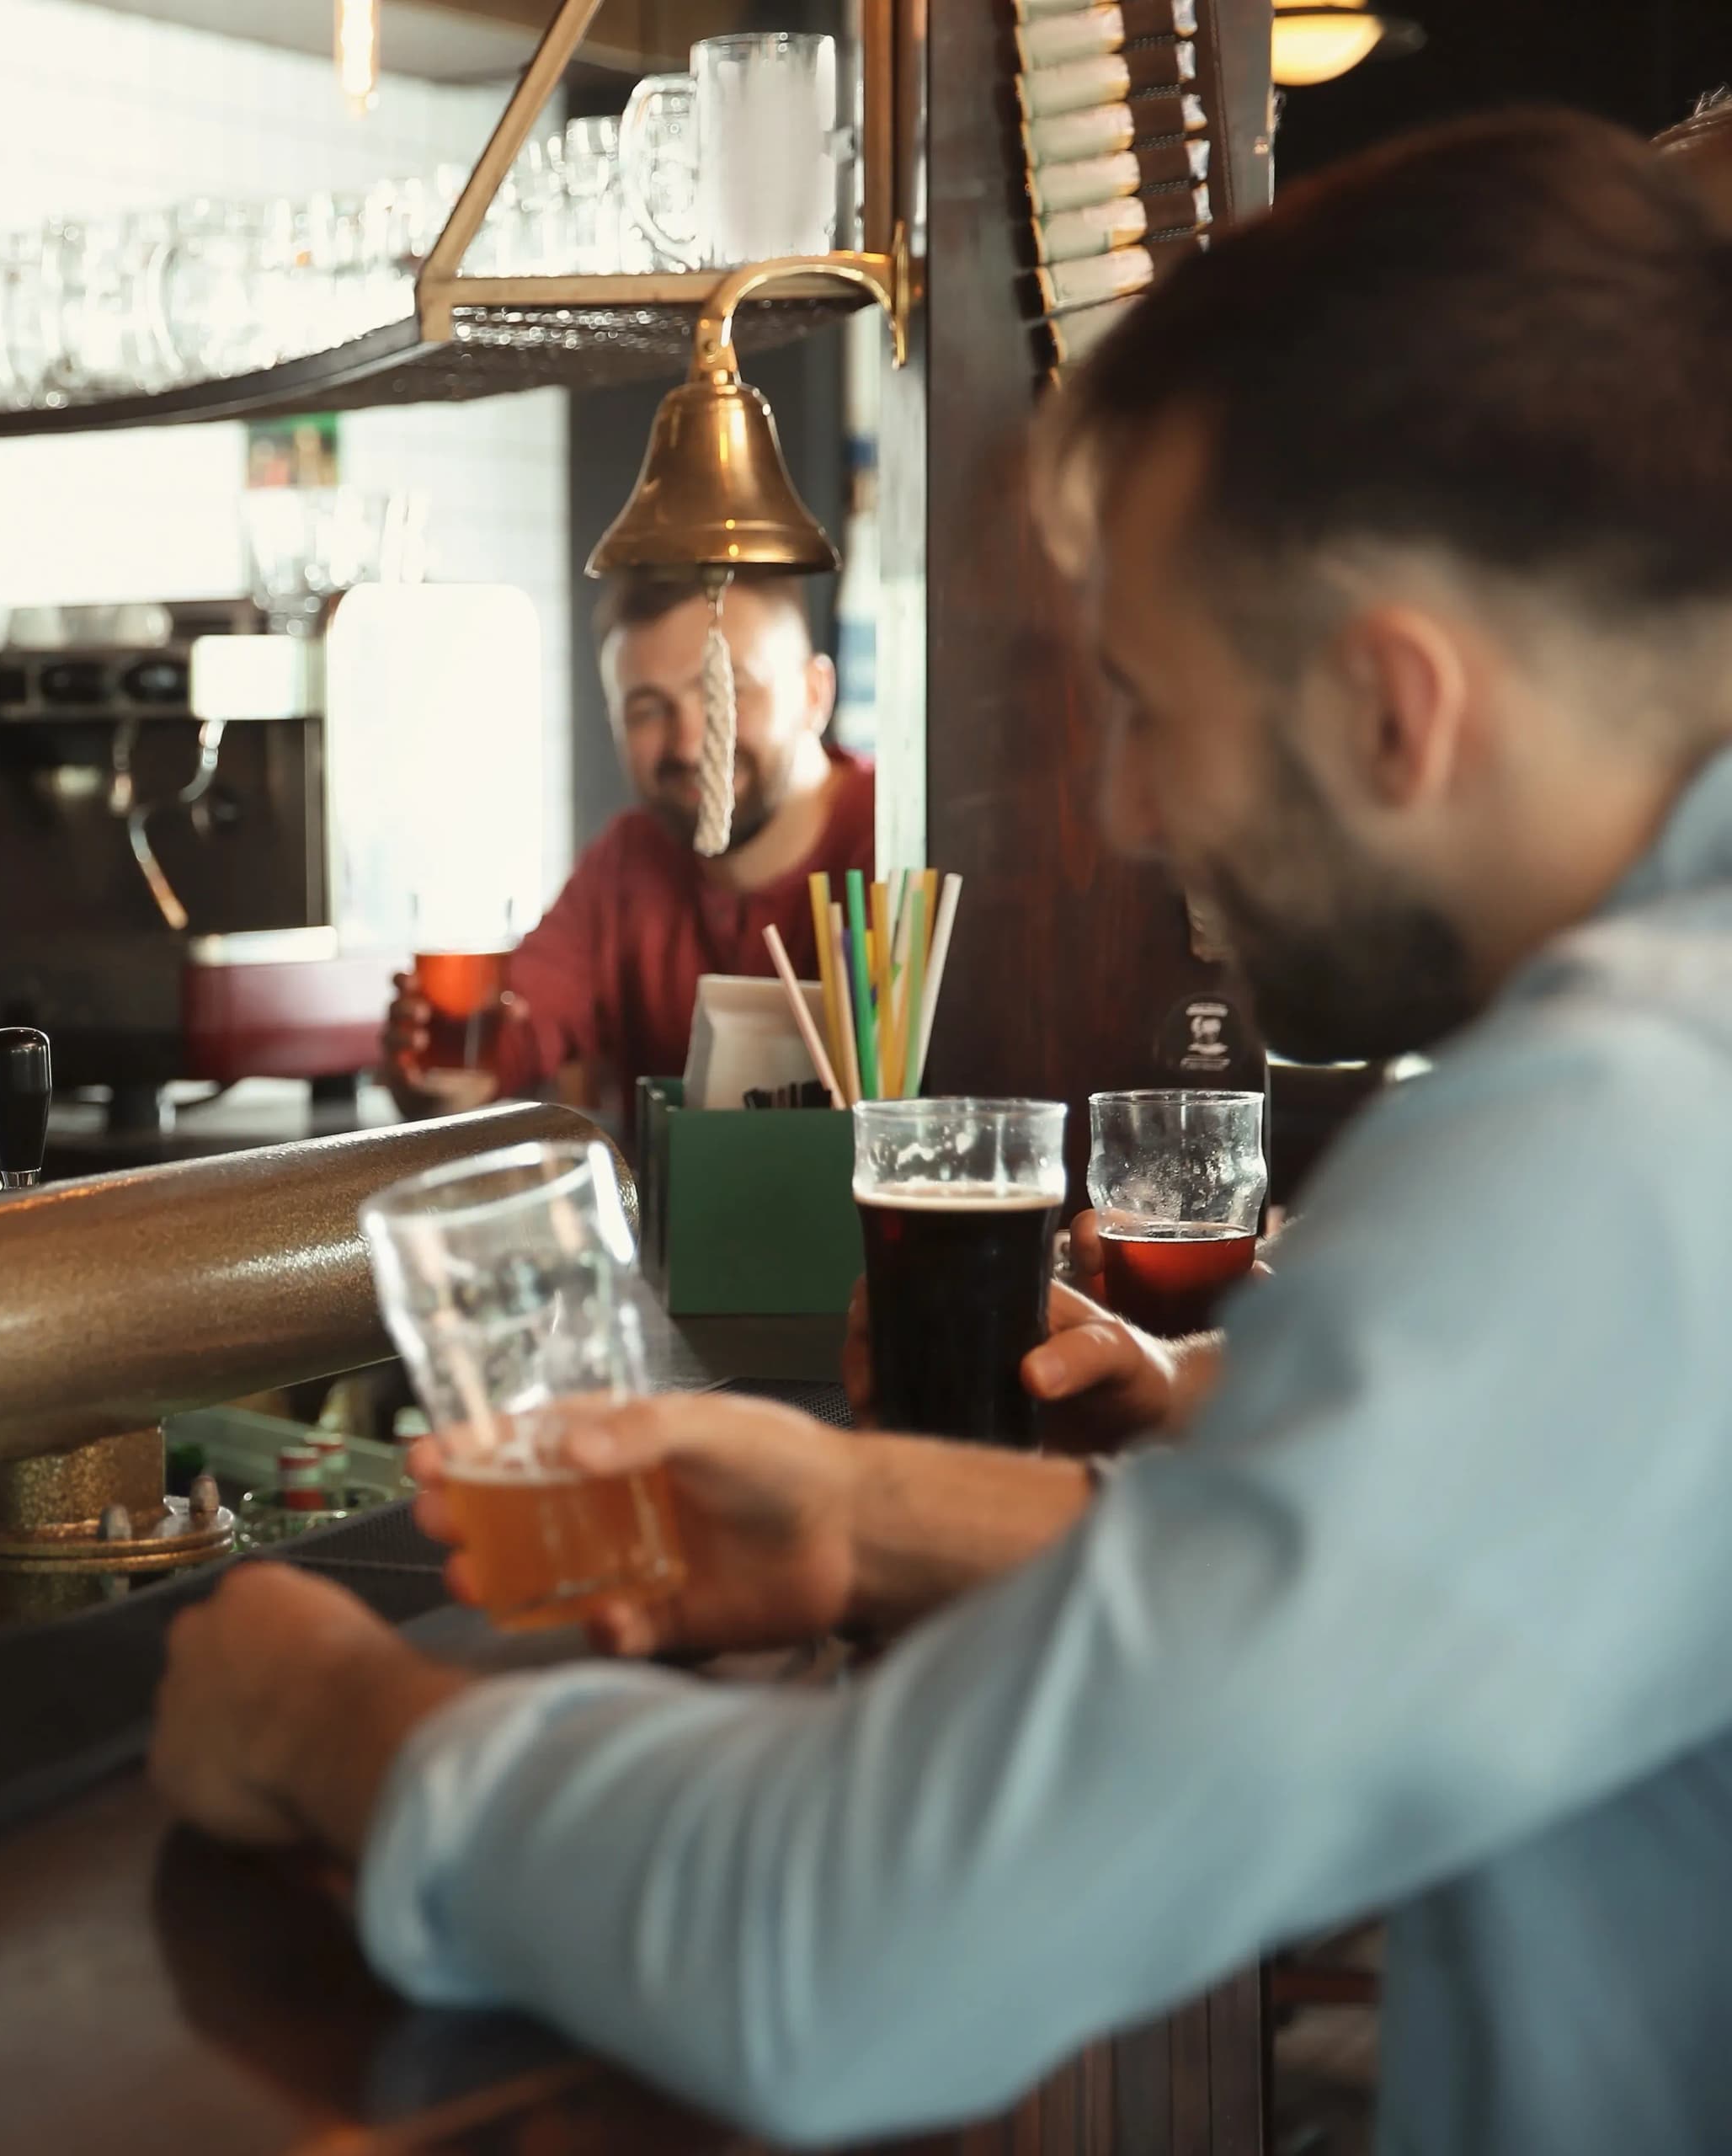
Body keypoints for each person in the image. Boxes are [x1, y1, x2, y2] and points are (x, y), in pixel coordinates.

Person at [155, 111, 1732, 2151]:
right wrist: (871, 1509)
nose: (1127, 805)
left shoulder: (1619, 1130)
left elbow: (840, 1949)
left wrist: (342, 1722)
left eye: (1146, 703)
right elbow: (1433, 1584)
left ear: (1388, 706)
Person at [385, 572, 874, 1115]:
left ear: (814, 694)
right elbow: (513, 1032)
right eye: (647, 709)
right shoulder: (625, 863)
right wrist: (437, 1067)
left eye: (727, 692)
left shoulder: (895, 840)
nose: (691, 745)